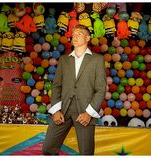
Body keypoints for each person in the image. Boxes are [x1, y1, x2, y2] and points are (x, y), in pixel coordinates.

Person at [42, 24, 106, 155]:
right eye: (74, 34)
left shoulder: (97, 59)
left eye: (79, 34)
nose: (75, 37)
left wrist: (89, 113)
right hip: (63, 111)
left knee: (86, 152)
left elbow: (100, 89)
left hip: (85, 111)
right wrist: (55, 110)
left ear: (88, 38)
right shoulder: (64, 59)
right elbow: (56, 86)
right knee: (48, 148)